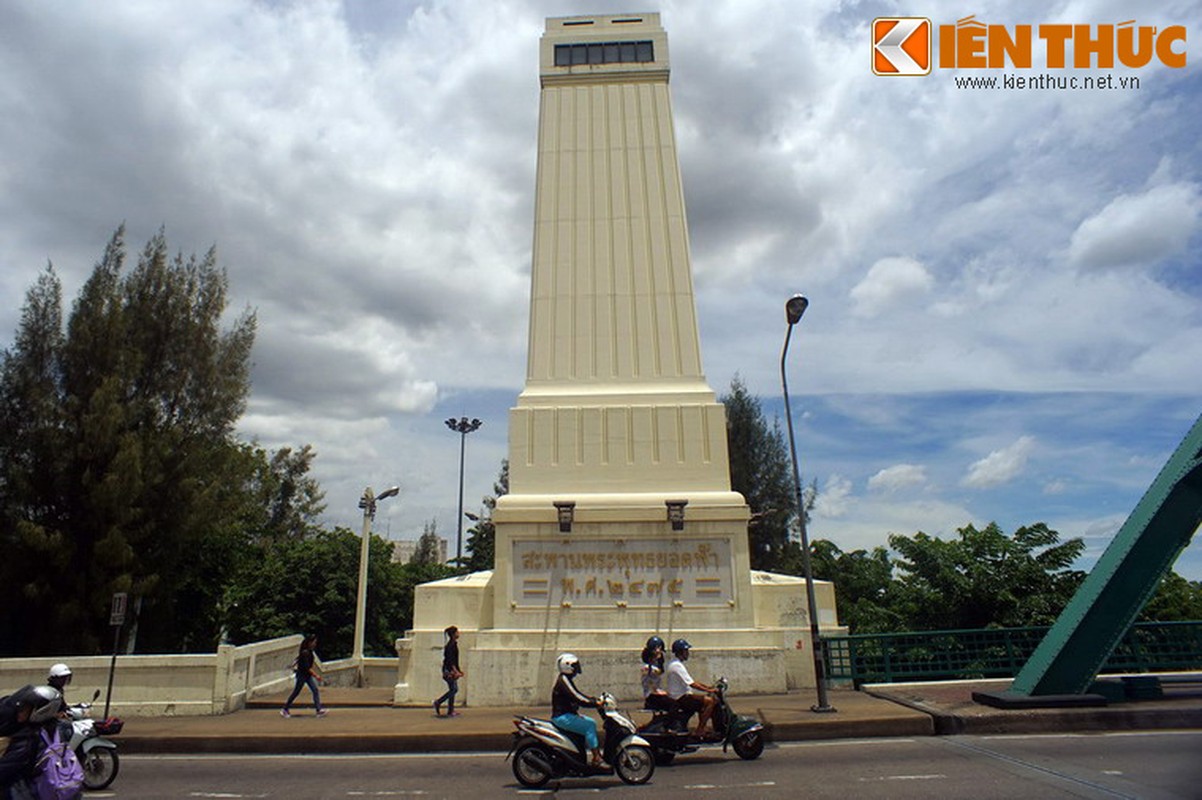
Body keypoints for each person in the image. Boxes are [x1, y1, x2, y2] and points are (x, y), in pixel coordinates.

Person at [550, 652, 606, 768]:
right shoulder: (564, 680)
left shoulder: (566, 679)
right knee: (589, 725)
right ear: (568, 666)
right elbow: (577, 697)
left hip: (567, 715)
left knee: (589, 723)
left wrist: (593, 700)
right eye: (575, 666)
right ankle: (596, 758)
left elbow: (578, 695)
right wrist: (594, 703)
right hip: (562, 717)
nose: (576, 669)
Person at [664, 639, 718, 738]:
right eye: (686, 651)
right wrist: (709, 691)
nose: (688, 653)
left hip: (682, 696)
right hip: (681, 698)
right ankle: (700, 730)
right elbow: (692, 684)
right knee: (710, 702)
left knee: (703, 703)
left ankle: (703, 728)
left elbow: (692, 681)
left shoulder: (675, 664)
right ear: (681, 652)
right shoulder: (677, 666)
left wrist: (708, 687)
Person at [281, 633, 326, 718]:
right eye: (314, 642)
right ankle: (285, 708)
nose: (315, 644)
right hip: (302, 675)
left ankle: (318, 709)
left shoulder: (309, 652)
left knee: (315, 690)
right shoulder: (305, 653)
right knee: (296, 692)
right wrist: (316, 675)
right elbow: (307, 667)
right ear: (309, 642)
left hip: (306, 675)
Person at [434, 625, 464, 717]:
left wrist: (459, 670)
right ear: (453, 634)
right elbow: (450, 660)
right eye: (457, 632)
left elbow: (455, 660)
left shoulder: (453, 644)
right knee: (454, 689)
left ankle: (450, 711)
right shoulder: (451, 645)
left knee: (452, 689)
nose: (459, 633)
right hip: (449, 670)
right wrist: (455, 671)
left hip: (450, 669)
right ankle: (438, 702)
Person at [640, 636, 673, 712]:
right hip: (652, 696)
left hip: (655, 694)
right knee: (674, 706)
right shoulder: (648, 667)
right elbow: (652, 685)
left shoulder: (653, 666)